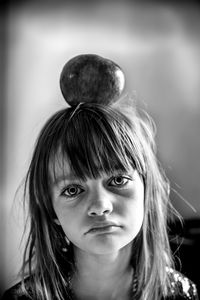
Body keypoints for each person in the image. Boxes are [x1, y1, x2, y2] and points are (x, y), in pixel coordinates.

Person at [2, 55, 198, 300]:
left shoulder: (180, 295)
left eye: (117, 181)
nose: (100, 206)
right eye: (73, 190)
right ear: (50, 209)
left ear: (147, 190)